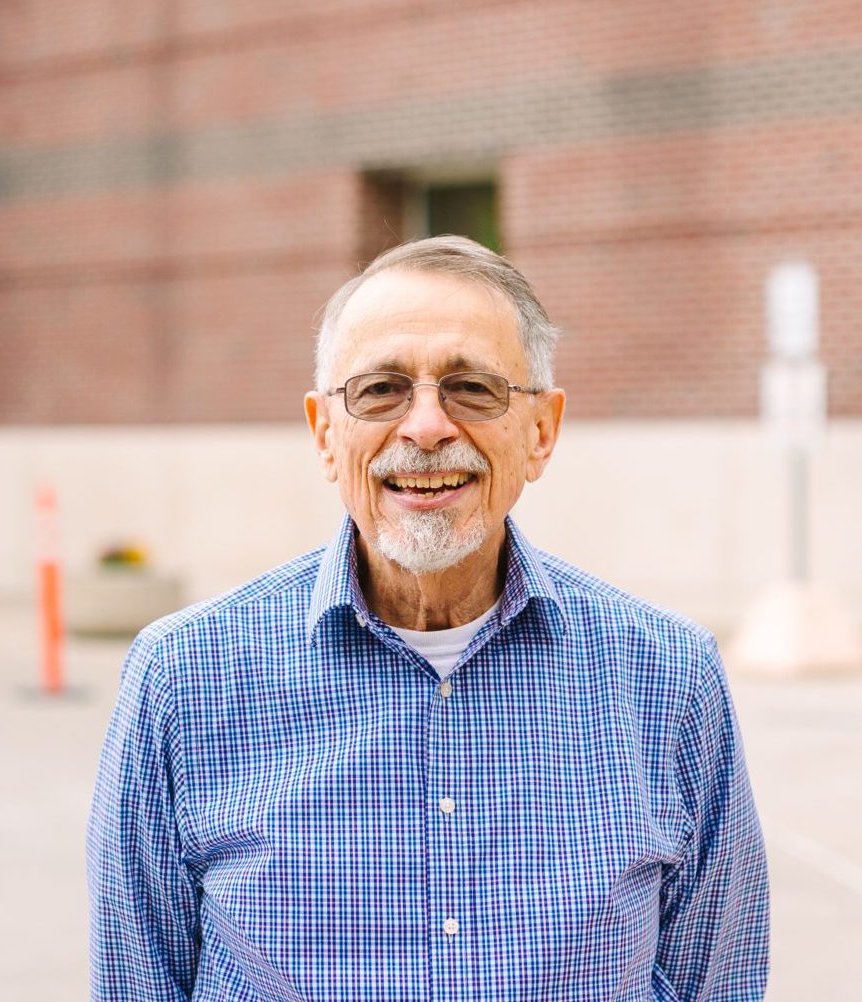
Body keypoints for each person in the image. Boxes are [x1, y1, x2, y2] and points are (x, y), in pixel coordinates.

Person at [87, 235, 770, 1000]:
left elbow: (721, 977)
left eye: (471, 388)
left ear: (541, 431)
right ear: (323, 433)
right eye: (380, 389)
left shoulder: (671, 677)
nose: (424, 427)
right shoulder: (183, 676)